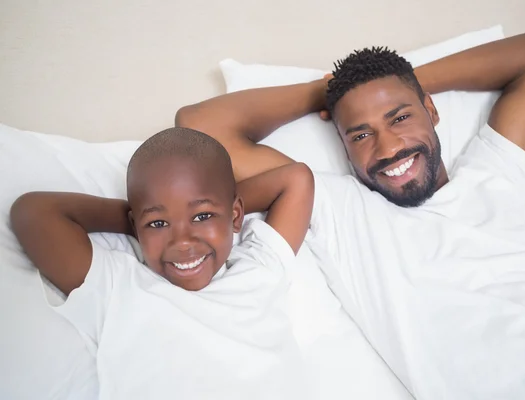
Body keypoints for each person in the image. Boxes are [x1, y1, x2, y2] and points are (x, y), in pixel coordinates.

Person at [176, 29, 525, 398]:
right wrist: (326, 93)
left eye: (400, 117)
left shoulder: (495, 171)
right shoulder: (339, 208)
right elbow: (198, 125)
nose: (389, 147)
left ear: (431, 111)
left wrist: (400, 81)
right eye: (360, 134)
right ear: (343, 148)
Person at [10, 127, 314, 400]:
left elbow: (296, 178)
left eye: (202, 216)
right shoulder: (118, 288)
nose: (181, 241)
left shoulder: (259, 270)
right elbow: (32, 213)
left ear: (236, 216)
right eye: (159, 223)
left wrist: (167, 214)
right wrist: (138, 220)